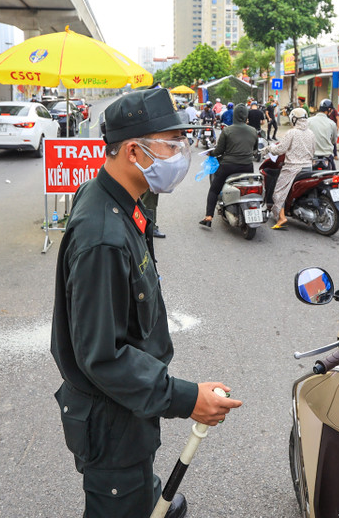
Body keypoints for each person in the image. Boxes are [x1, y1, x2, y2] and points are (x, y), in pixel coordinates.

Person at [52, 88, 242, 518]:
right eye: (171, 144)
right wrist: (187, 397)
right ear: (134, 151)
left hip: (128, 405)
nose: (180, 154)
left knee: (143, 496)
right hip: (110, 417)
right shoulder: (102, 234)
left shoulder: (118, 203)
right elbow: (102, 357)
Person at [199, 103, 259, 228]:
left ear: (235, 115)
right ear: (246, 116)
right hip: (247, 166)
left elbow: (219, 151)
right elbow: (255, 149)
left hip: (228, 166)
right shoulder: (253, 130)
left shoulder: (227, 130)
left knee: (214, 189)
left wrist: (211, 153)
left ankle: (209, 216)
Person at [266, 107, 315, 230]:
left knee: (278, 192)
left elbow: (280, 149)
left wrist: (270, 148)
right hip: (308, 168)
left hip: (293, 168)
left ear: (294, 119)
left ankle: (281, 217)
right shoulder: (311, 133)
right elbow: (313, 151)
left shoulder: (292, 133)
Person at [308, 101, 339, 169]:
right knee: (334, 176)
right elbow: (333, 140)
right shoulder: (332, 123)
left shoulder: (308, 121)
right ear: (329, 110)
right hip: (326, 156)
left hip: (311, 156)